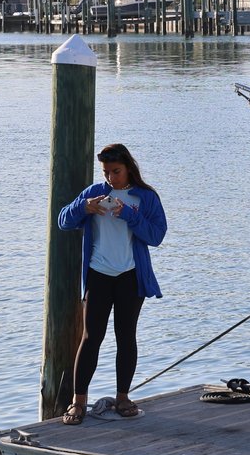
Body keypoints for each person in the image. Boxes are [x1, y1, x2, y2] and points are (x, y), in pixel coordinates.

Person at [55, 143, 168, 426]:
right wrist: (83, 207)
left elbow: (156, 236)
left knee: (126, 336)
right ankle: (78, 401)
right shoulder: (94, 193)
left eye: (116, 171)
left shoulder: (145, 197)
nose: (110, 178)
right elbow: (63, 221)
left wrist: (129, 214)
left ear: (128, 167)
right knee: (91, 337)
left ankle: (123, 398)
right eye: (106, 172)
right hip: (98, 274)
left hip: (131, 275)